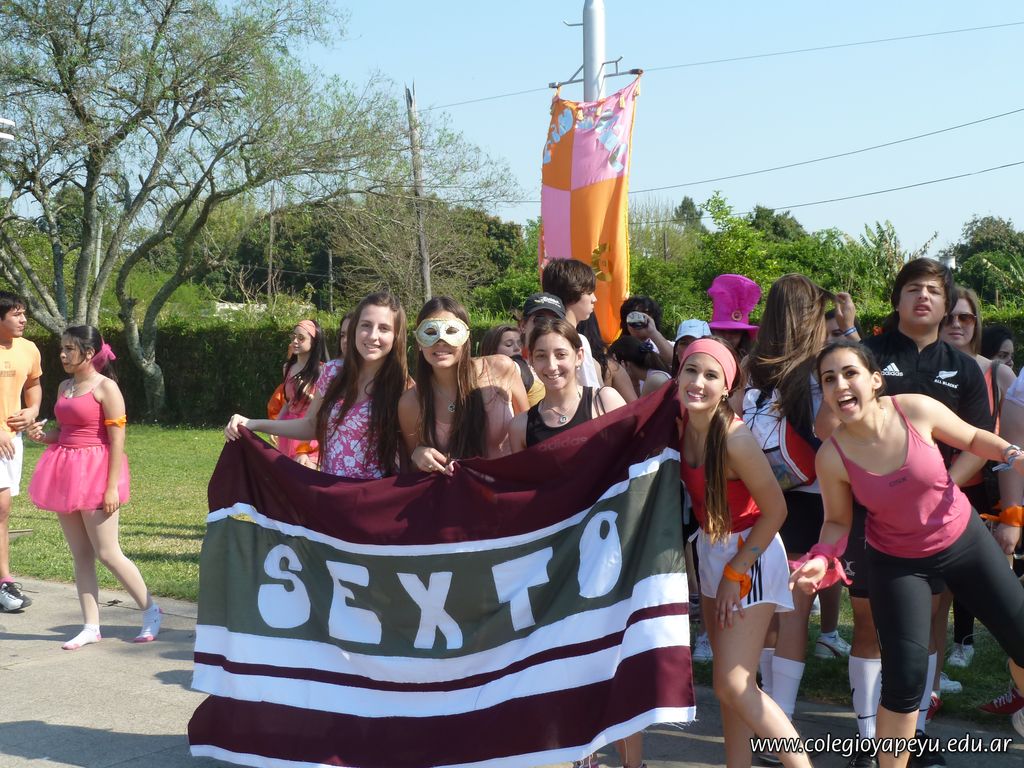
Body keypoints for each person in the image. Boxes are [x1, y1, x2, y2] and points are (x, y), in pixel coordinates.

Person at [792, 340, 1024, 766]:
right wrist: (822, 557)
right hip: (898, 564)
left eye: (849, 373)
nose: (840, 384)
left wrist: (1010, 454)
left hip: (964, 541)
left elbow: (973, 437)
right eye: (829, 379)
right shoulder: (832, 456)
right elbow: (838, 521)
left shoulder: (914, 409)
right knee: (904, 682)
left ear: (875, 380)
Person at [850, 258, 991, 767]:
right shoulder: (867, 357)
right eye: (913, 288)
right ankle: (868, 740)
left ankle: (917, 736)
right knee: (868, 622)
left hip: (937, 522)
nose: (924, 297)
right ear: (898, 298)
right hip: (869, 512)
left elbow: (979, 438)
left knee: (928, 622)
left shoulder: (965, 367)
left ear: (946, 302)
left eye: (933, 290)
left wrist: (945, 486)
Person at [677, 337, 810, 768]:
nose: (698, 382)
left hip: (750, 554)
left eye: (710, 375)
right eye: (691, 370)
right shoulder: (680, 424)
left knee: (734, 684)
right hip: (712, 550)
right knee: (729, 683)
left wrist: (736, 572)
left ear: (727, 387)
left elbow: (776, 510)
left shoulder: (735, 439)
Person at [509, 316, 631, 767]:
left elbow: (638, 466)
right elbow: (516, 495)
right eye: (540, 355)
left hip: (607, 554)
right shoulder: (522, 426)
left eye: (561, 354)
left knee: (609, 658)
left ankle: (627, 759)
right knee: (564, 657)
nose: (552, 364)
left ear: (580, 356)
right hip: (555, 560)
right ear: (529, 360)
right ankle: (580, 753)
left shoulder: (604, 401)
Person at [742, 275, 849, 732]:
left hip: (762, 499)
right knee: (794, 613)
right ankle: (781, 718)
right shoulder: (818, 368)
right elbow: (832, 428)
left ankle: (766, 713)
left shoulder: (753, 366)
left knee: (766, 609)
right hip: (810, 500)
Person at [26, 326, 160, 649]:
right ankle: (91, 626)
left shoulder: (106, 388)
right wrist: (41, 436)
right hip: (65, 471)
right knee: (81, 554)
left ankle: (151, 610)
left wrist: (111, 487)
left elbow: (117, 440)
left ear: (88, 353)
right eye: (62, 348)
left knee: (108, 552)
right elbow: (64, 432)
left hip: (97, 472)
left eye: (69, 349)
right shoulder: (65, 387)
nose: (62, 354)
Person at [226, 292, 409, 479]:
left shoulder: (403, 387)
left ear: (396, 336)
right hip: (329, 489)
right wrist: (252, 424)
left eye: (384, 328)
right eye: (366, 325)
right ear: (355, 328)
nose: (372, 336)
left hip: (375, 492)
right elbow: (312, 425)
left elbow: (414, 450)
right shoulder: (332, 372)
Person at [938, 286, 1015, 672]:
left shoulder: (997, 372)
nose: (956, 324)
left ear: (976, 322)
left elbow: (1016, 435)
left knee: (976, 575)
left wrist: (1013, 510)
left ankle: (965, 641)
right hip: (931, 488)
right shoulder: (928, 367)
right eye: (949, 317)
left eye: (965, 317)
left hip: (982, 489)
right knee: (937, 579)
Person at [399, 297, 527, 472]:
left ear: (467, 337)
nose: (441, 341)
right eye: (430, 332)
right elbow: (413, 470)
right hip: (456, 488)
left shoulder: (500, 369)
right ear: (419, 342)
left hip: (508, 483)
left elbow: (529, 431)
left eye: (452, 331)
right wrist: (418, 455)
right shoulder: (411, 402)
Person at [0, 291, 41, 613]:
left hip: (12, 442)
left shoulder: (28, 348)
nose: (24, 319)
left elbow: (33, 385)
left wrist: (32, 410)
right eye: (16, 314)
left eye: (24, 313)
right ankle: (4, 582)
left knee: (3, 511)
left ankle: (3, 581)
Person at [275, 320, 329, 467]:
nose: (295, 341)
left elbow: (324, 407)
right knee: (287, 471)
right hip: (289, 427)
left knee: (307, 471)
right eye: (293, 337)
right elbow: (288, 402)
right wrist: (276, 425)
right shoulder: (287, 368)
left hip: (309, 428)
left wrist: (310, 397)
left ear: (314, 342)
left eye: (301, 338)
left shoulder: (323, 370)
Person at [707, 274, 760, 358]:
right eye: (722, 331)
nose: (727, 337)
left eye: (734, 332)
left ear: (743, 335)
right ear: (712, 332)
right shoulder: (701, 358)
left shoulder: (750, 364)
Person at [608, 334, 671, 398]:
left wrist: (624, 379)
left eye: (617, 366)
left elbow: (637, 404)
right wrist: (634, 382)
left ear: (626, 364)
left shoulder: (654, 380)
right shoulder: (652, 376)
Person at [620, 295, 673, 369]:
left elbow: (673, 361)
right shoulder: (619, 349)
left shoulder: (667, 346)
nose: (639, 319)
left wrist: (653, 332)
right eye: (634, 314)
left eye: (645, 313)